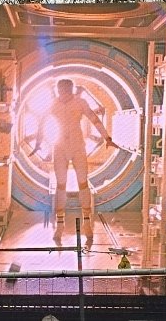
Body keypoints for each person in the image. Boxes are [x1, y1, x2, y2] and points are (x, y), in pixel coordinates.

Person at [30, 78, 116, 247]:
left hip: (77, 146)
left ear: (71, 89)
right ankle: (60, 226)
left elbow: (95, 120)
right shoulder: (53, 104)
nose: (64, 94)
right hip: (60, 147)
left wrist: (107, 137)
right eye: (61, 90)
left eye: (67, 90)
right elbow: (41, 123)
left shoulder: (80, 102)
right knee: (61, 185)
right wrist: (38, 143)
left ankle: (87, 223)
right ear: (58, 90)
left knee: (83, 183)